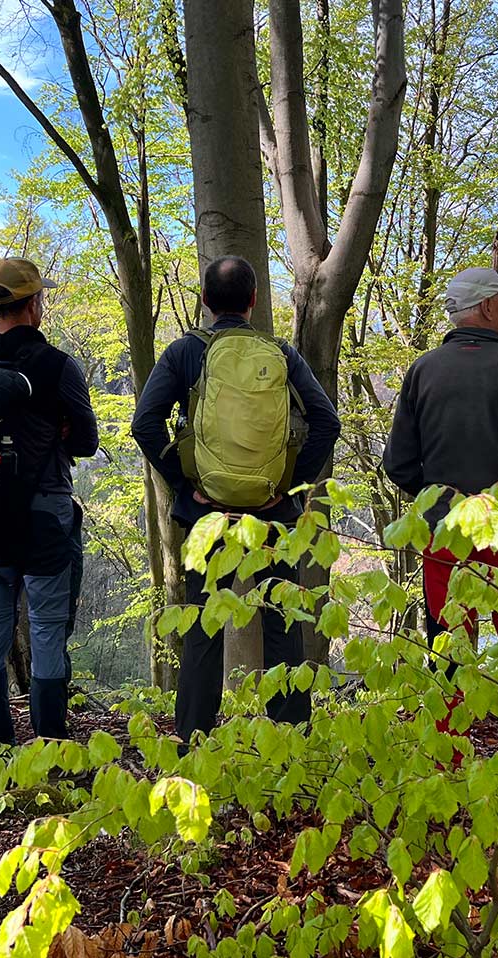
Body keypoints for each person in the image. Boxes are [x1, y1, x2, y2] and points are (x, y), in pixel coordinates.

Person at [131, 256, 341, 751]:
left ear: (205, 300)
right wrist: (288, 486)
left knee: (204, 623)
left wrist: (186, 486)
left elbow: (145, 424)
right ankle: (289, 739)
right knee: (282, 621)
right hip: (273, 516)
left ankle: (193, 741)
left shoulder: (186, 352)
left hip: (208, 514)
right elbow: (325, 424)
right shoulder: (281, 354)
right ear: (252, 301)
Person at [382, 266, 498, 758]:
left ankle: (450, 758)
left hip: (444, 537)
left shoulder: (422, 371)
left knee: (450, 648)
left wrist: (441, 503)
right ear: (487, 307)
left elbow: (397, 464)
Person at [0, 258, 99, 749]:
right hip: (46, 512)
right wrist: (57, 428)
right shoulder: (58, 366)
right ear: (34, 303)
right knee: (44, 626)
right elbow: (86, 441)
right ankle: (50, 747)